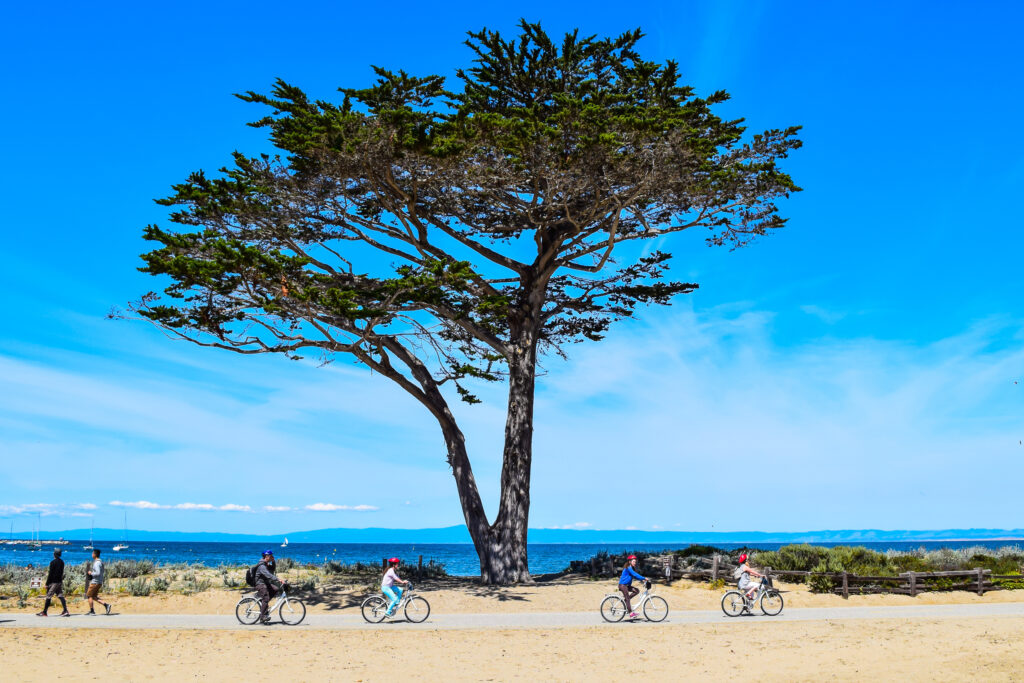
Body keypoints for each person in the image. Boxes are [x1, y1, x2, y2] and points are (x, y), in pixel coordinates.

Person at [36, 548, 70, 617]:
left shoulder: (53, 562)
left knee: (48, 596)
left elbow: (50, 574)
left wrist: (47, 584)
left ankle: (44, 612)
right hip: (59, 581)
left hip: (54, 582)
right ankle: (65, 611)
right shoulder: (62, 562)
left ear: (54, 554)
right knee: (60, 595)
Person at [254, 549, 284, 624]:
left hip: (265, 583)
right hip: (260, 584)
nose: (272, 557)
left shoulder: (266, 564)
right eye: (271, 556)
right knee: (266, 597)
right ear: (267, 556)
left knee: (275, 589)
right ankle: (262, 617)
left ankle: (264, 603)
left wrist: (273, 561)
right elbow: (268, 575)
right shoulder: (262, 565)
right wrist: (278, 579)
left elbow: (272, 569)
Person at [618, 555, 648, 619]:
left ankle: (626, 600)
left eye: (635, 561)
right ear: (629, 561)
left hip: (626, 586)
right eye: (634, 561)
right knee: (628, 599)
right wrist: (644, 578)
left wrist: (642, 580)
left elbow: (635, 576)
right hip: (623, 585)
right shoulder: (628, 567)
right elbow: (635, 574)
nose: (635, 563)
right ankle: (631, 613)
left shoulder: (631, 568)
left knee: (636, 591)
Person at [86, 549, 112, 615]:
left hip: (95, 582)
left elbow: (97, 573)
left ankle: (92, 611)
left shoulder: (97, 563)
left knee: (89, 596)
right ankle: (106, 605)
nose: (92, 554)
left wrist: (91, 573)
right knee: (94, 596)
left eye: (92, 553)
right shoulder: (100, 562)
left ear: (94, 554)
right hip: (99, 581)